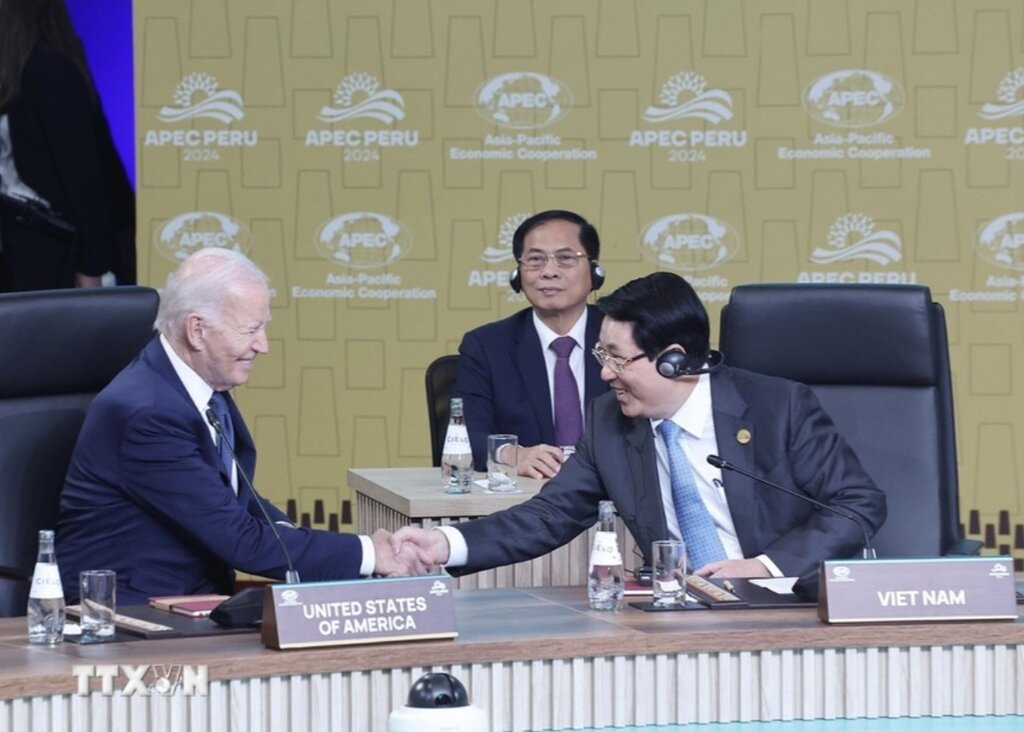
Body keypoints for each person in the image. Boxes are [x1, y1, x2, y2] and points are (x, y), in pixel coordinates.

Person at [397, 272, 887, 591]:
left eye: (616, 358)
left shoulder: (778, 407)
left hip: (789, 606)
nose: (605, 373)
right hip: (679, 612)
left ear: (675, 359)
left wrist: (764, 567)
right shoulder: (609, 422)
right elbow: (547, 517)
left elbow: (857, 502)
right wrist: (446, 544)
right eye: (600, 355)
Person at [56, 248, 426, 604]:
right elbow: (239, 540)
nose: (262, 346)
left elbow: (239, 502)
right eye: (250, 330)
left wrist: (327, 548)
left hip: (196, 600)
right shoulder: (147, 414)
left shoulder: (197, 382)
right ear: (197, 330)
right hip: (132, 614)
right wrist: (370, 555)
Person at [453, 210, 609, 478]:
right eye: (535, 260)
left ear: (595, 270)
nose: (549, 272)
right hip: (526, 501)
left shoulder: (629, 339)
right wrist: (512, 454)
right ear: (517, 273)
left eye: (565, 258)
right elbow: (465, 435)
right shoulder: (487, 346)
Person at [0, 0, 134, 291]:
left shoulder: (49, 70)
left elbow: (86, 182)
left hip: (51, 252)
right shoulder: (14, 74)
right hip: (17, 246)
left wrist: (91, 266)